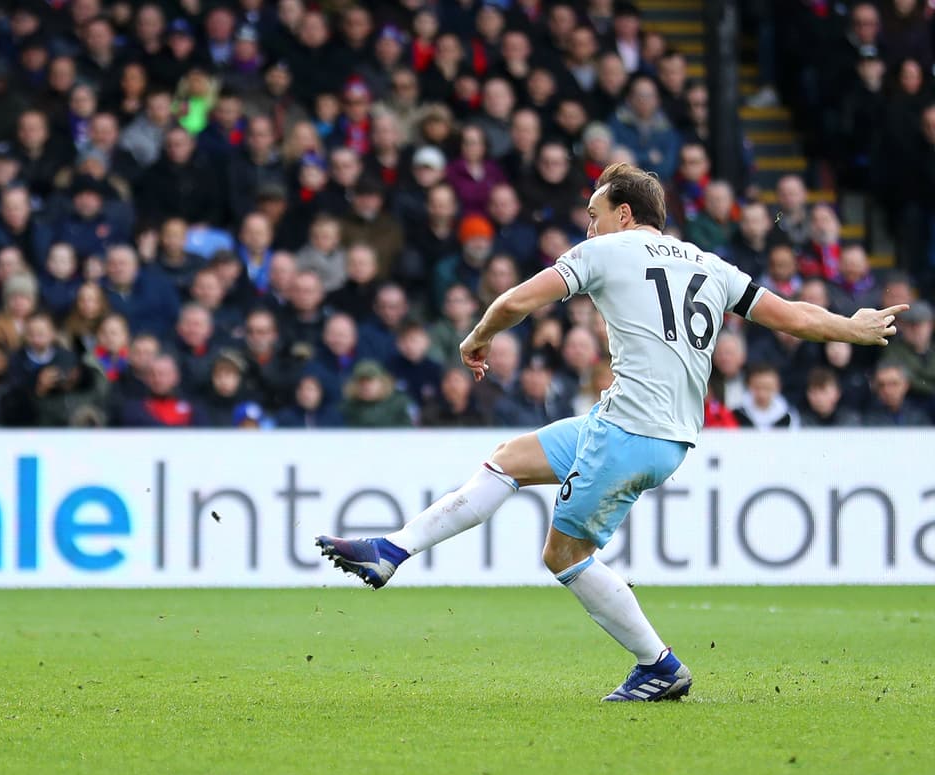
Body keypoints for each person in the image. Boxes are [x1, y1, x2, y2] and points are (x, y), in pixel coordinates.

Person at [315, 163, 906, 702]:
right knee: (508, 459)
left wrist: (477, 338)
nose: (589, 227)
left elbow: (519, 299)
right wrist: (850, 328)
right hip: (656, 431)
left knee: (563, 554)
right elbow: (796, 316)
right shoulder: (710, 263)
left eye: (594, 215)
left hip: (628, 431)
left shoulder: (609, 250)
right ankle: (391, 550)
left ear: (625, 214)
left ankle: (659, 665)